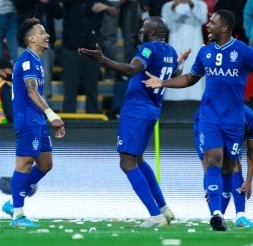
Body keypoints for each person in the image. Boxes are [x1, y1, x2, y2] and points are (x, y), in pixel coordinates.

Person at [143, 9, 253, 231]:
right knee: (214, 159)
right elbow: (190, 78)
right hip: (209, 116)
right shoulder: (205, 52)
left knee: (230, 167)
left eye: (212, 22)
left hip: (234, 119)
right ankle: (216, 213)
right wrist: (162, 82)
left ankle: (226, 212)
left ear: (224, 28)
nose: (208, 25)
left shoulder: (244, 51)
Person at [79, 16, 190, 227]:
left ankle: (155, 216)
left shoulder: (148, 49)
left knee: (127, 162)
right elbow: (175, 73)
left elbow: (131, 69)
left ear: (151, 32)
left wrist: (103, 59)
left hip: (136, 110)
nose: (140, 32)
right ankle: (164, 209)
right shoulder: (170, 51)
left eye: (143, 28)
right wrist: (181, 63)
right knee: (138, 159)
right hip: (152, 110)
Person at [1, 17, 65, 227]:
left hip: (37, 120)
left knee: (46, 164)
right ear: (31, 39)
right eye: (42, 32)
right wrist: (51, 114)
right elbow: (31, 91)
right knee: (24, 164)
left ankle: (13, 202)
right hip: (28, 120)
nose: (47, 35)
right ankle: (17, 215)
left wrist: (47, 115)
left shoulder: (36, 60)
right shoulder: (27, 60)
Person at [59, 0, 117, 113]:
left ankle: (93, 123)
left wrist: (104, 7)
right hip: (71, 49)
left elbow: (114, 12)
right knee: (70, 90)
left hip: (92, 50)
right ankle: (67, 123)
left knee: (92, 89)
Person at [194, 105, 253, 228]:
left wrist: (249, 180)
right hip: (206, 122)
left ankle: (240, 216)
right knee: (212, 163)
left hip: (226, 122)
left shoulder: (251, 120)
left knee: (234, 163)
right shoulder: (213, 115)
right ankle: (217, 215)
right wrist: (210, 182)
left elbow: (252, 150)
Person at [12, 0, 63, 105]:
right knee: (23, 76)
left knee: (44, 76)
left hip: (44, 46)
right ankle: (24, 105)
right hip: (25, 45)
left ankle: (45, 107)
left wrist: (47, 1)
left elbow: (59, 13)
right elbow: (17, 2)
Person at [161, 0, 208, 101]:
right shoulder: (168, 6)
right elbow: (167, 25)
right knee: (177, 71)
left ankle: (196, 99)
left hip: (195, 46)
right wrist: (175, 5)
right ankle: (173, 101)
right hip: (176, 46)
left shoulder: (199, 4)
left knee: (194, 70)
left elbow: (203, 19)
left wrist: (191, 4)